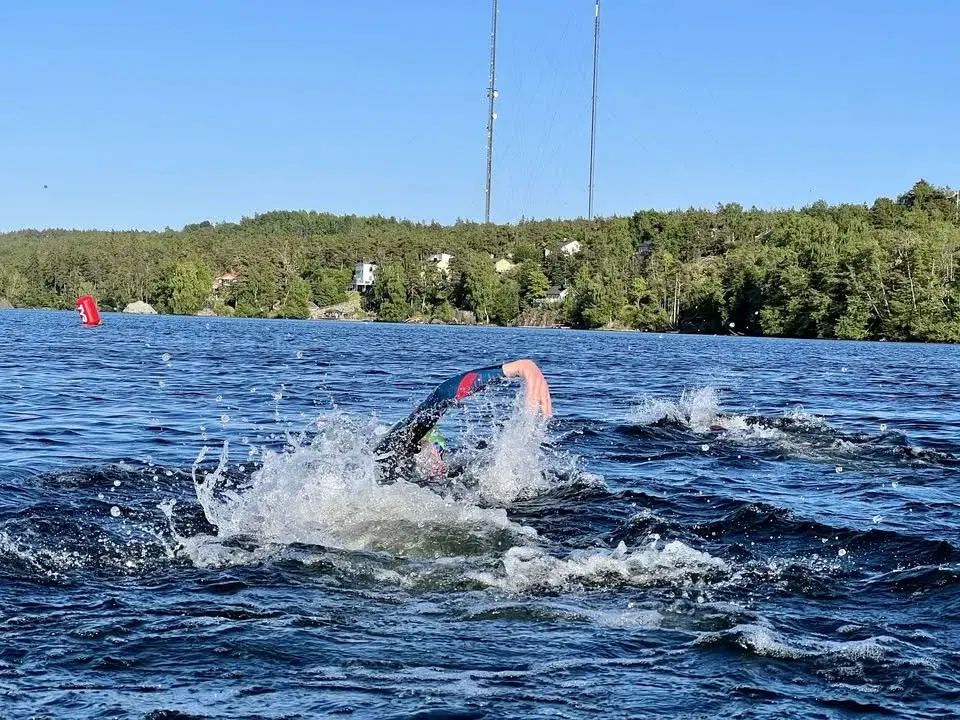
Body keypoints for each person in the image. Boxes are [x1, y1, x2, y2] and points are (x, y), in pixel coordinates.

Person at [374, 359, 552, 482]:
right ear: (416, 448)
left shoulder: (439, 482)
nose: (438, 465)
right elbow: (440, 398)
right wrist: (518, 368)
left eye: (440, 453)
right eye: (432, 451)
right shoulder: (390, 456)